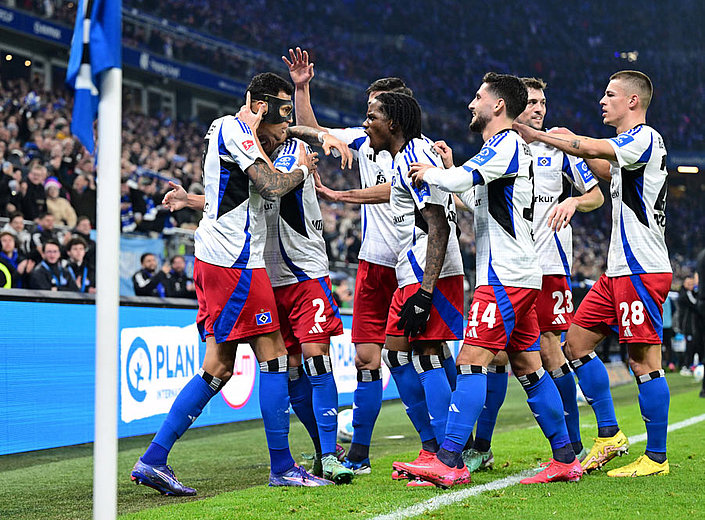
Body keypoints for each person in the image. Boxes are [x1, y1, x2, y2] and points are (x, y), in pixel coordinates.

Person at [131, 72, 336, 495]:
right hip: (236, 264)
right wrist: (300, 169)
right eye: (281, 118)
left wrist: (190, 200)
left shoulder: (246, 134)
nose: (284, 129)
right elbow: (271, 185)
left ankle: (154, 459)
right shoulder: (234, 128)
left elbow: (236, 194)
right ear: (261, 108)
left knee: (218, 367)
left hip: (221, 261)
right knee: (275, 356)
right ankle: (282, 466)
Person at [403, 72, 582, 487]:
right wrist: (447, 171)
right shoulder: (499, 150)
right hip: (517, 273)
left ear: (497, 105)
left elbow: (460, 181)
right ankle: (565, 457)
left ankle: (448, 461)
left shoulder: (505, 145)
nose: (471, 103)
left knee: (470, 362)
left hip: (505, 277)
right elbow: (472, 200)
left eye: (478, 96)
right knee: (528, 366)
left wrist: (431, 173)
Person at [284, 48, 457, 474]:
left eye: (375, 109)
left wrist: (343, 195)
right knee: (369, 359)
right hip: (375, 261)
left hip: (413, 262)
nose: (366, 119)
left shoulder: (418, 153)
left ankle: (449, 443)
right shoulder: (363, 142)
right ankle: (360, 452)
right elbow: (315, 132)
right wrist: (302, 87)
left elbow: (417, 202)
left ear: (394, 114)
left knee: (427, 350)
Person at [514, 70, 672, 477]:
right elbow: (600, 168)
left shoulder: (645, 138)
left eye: (610, 94)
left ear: (632, 101)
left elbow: (589, 146)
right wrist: (574, 148)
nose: (603, 101)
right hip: (617, 270)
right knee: (576, 344)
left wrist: (552, 137)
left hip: (642, 268)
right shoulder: (626, 152)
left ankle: (656, 458)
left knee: (643, 362)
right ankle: (609, 435)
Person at [460, 77, 606, 471]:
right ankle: (483, 447)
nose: (540, 109)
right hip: (510, 267)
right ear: (514, 105)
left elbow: (596, 195)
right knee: (499, 358)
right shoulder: (500, 147)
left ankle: (571, 447)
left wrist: (574, 201)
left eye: (544, 102)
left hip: (550, 265)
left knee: (547, 350)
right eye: (534, 102)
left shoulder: (557, 148)